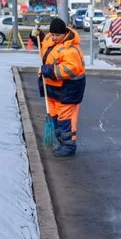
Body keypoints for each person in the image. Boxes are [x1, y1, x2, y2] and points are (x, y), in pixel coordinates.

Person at [38, 18, 86, 157]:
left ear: (64, 33)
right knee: (55, 118)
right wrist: (39, 36)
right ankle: (62, 143)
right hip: (53, 89)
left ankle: (69, 146)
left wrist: (48, 70)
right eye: (52, 35)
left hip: (68, 90)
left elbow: (71, 69)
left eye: (57, 35)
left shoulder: (70, 49)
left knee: (66, 119)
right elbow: (46, 49)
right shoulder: (50, 40)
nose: (54, 38)